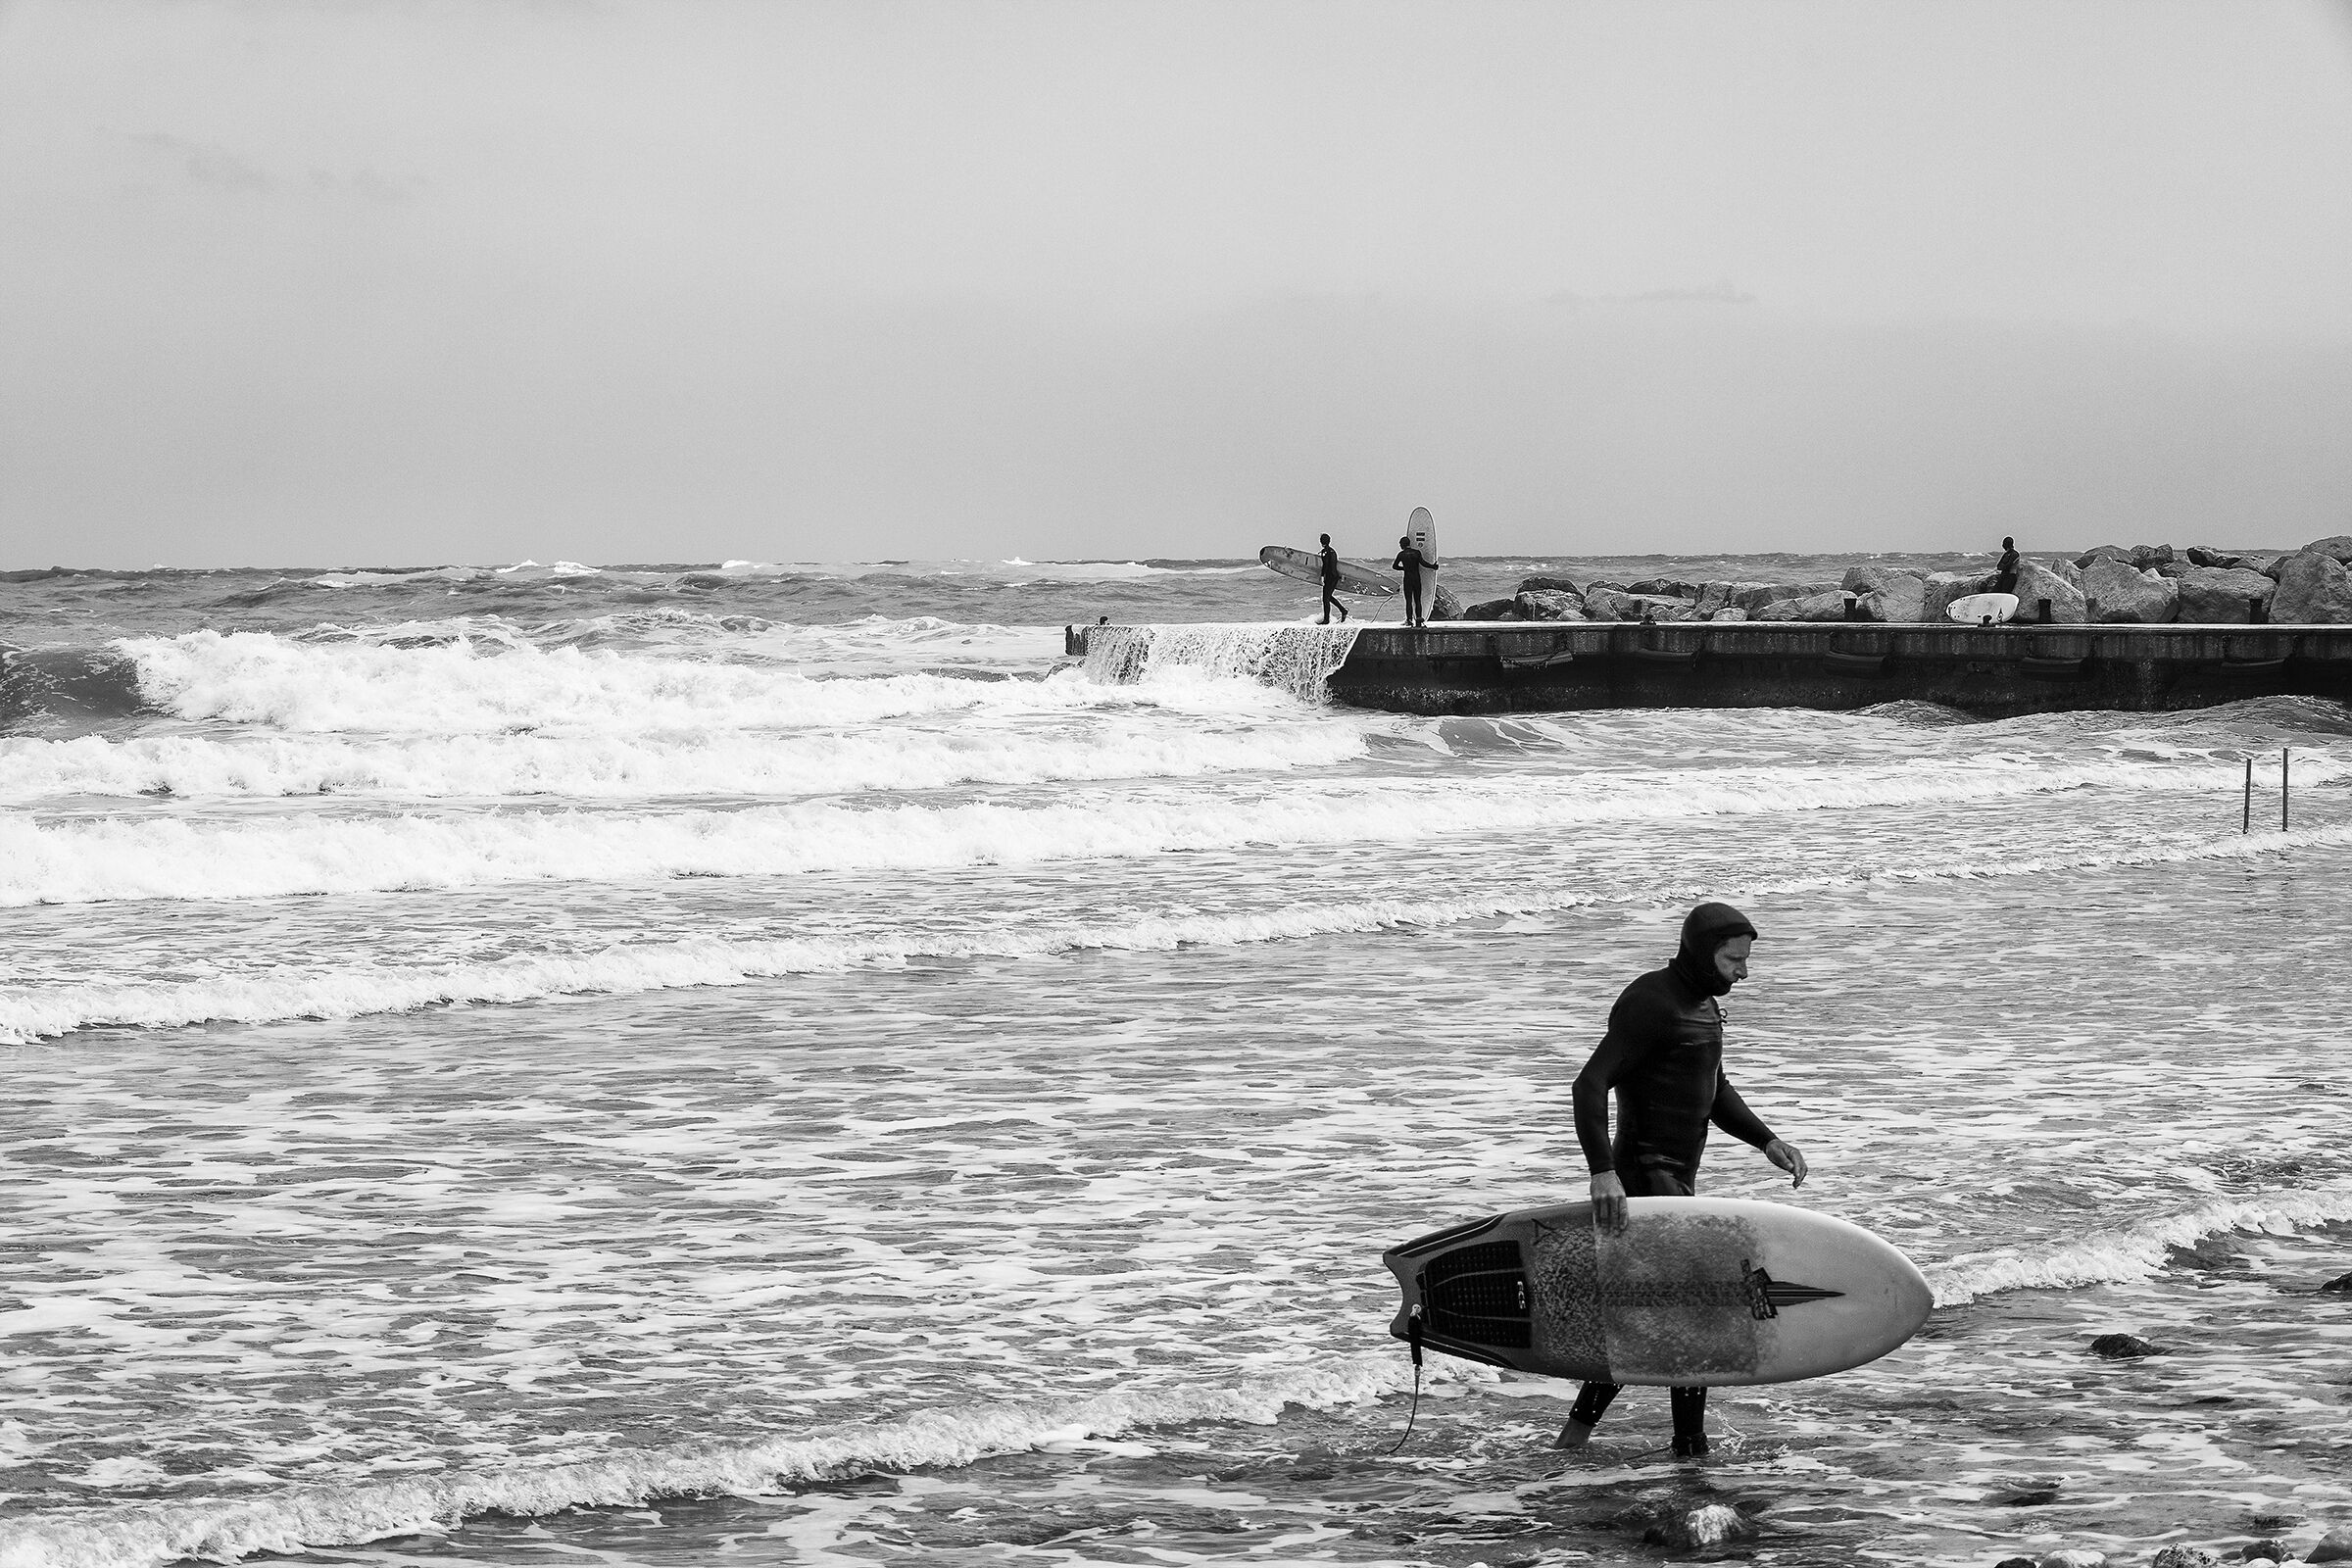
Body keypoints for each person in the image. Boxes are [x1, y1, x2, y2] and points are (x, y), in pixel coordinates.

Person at [1553, 902, 1809, 1458]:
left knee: (1656, 1312)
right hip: (1644, 1177)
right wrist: (1603, 1172)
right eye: (1733, 960)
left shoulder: (1703, 1004)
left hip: (1677, 1182)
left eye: (1745, 960)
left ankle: (1579, 1435)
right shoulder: (1651, 1001)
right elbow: (1588, 1084)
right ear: (1701, 953)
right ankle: (1689, 1449)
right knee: (1698, 1311)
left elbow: (1713, 1088)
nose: (1743, 972)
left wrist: (1767, 1141)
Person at [1392, 535, 1430, 628]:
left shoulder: (1401, 554)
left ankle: (1409, 620)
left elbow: (1394, 566)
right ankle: (1419, 620)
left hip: (1408, 579)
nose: (1400, 546)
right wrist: (1433, 566)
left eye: (1400, 544)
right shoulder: (1417, 553)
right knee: (1418, 600)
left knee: (1409, 601)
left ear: (1402, 544)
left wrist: (1404, 568)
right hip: (1416, 578)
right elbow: (1423, 563)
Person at [1317, 534, 1349, 625]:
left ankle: (1326, 620)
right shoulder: (1333, 551)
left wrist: (1322, 576)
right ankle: (1343, 611)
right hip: (1335, 576)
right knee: (1328, 597)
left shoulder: (1325, 552)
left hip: (1330, 577)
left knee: (1325, 599)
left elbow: (1326, 565)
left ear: (1321, 542)